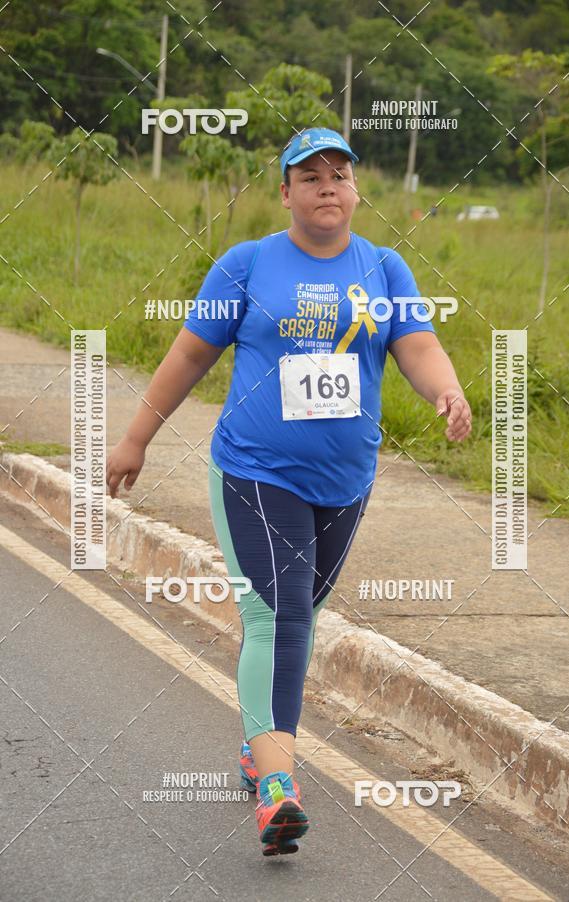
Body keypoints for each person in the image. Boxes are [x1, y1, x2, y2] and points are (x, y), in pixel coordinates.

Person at [106, 127, 472, 857]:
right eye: (309, 177)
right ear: (286, 193)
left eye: (339, 174)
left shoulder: (385, 266)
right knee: (279, 619)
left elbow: (418, 345)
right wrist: (136, 437)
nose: (327, 186)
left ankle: (256, 743)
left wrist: (447, 389)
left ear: (356, 189)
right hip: (254, 471)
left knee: (298, 614)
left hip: (345, 480)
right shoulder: (246, 266)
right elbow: (189, 354)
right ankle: (279, 788)